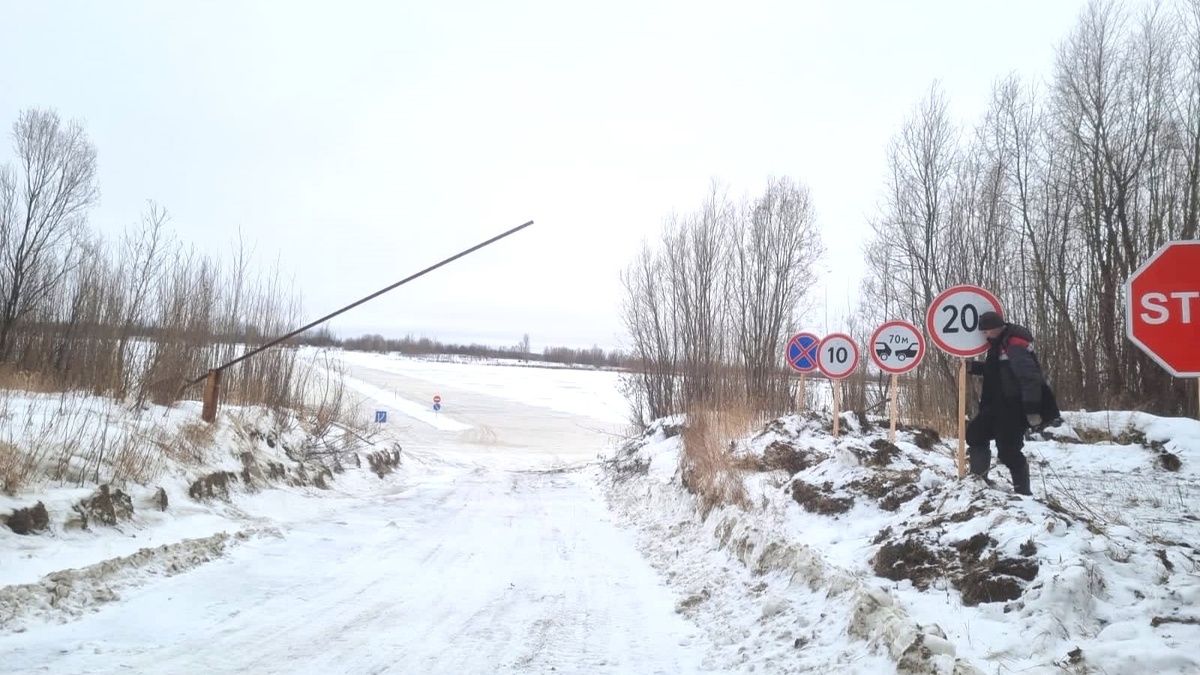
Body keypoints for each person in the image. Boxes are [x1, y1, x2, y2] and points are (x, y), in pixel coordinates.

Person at [965, 310, 1060, 496]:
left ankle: (1023, 495)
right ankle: (978, 482)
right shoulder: (999, 343)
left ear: (995, 328)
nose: (984, 335)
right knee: (975, 434)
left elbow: (1029, 377)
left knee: (1009, 452)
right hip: (996, 406)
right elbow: (998, 371)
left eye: (985, 331)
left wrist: (1032, 410)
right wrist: (972, 367)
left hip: (1014, 408)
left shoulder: (1015, 345)